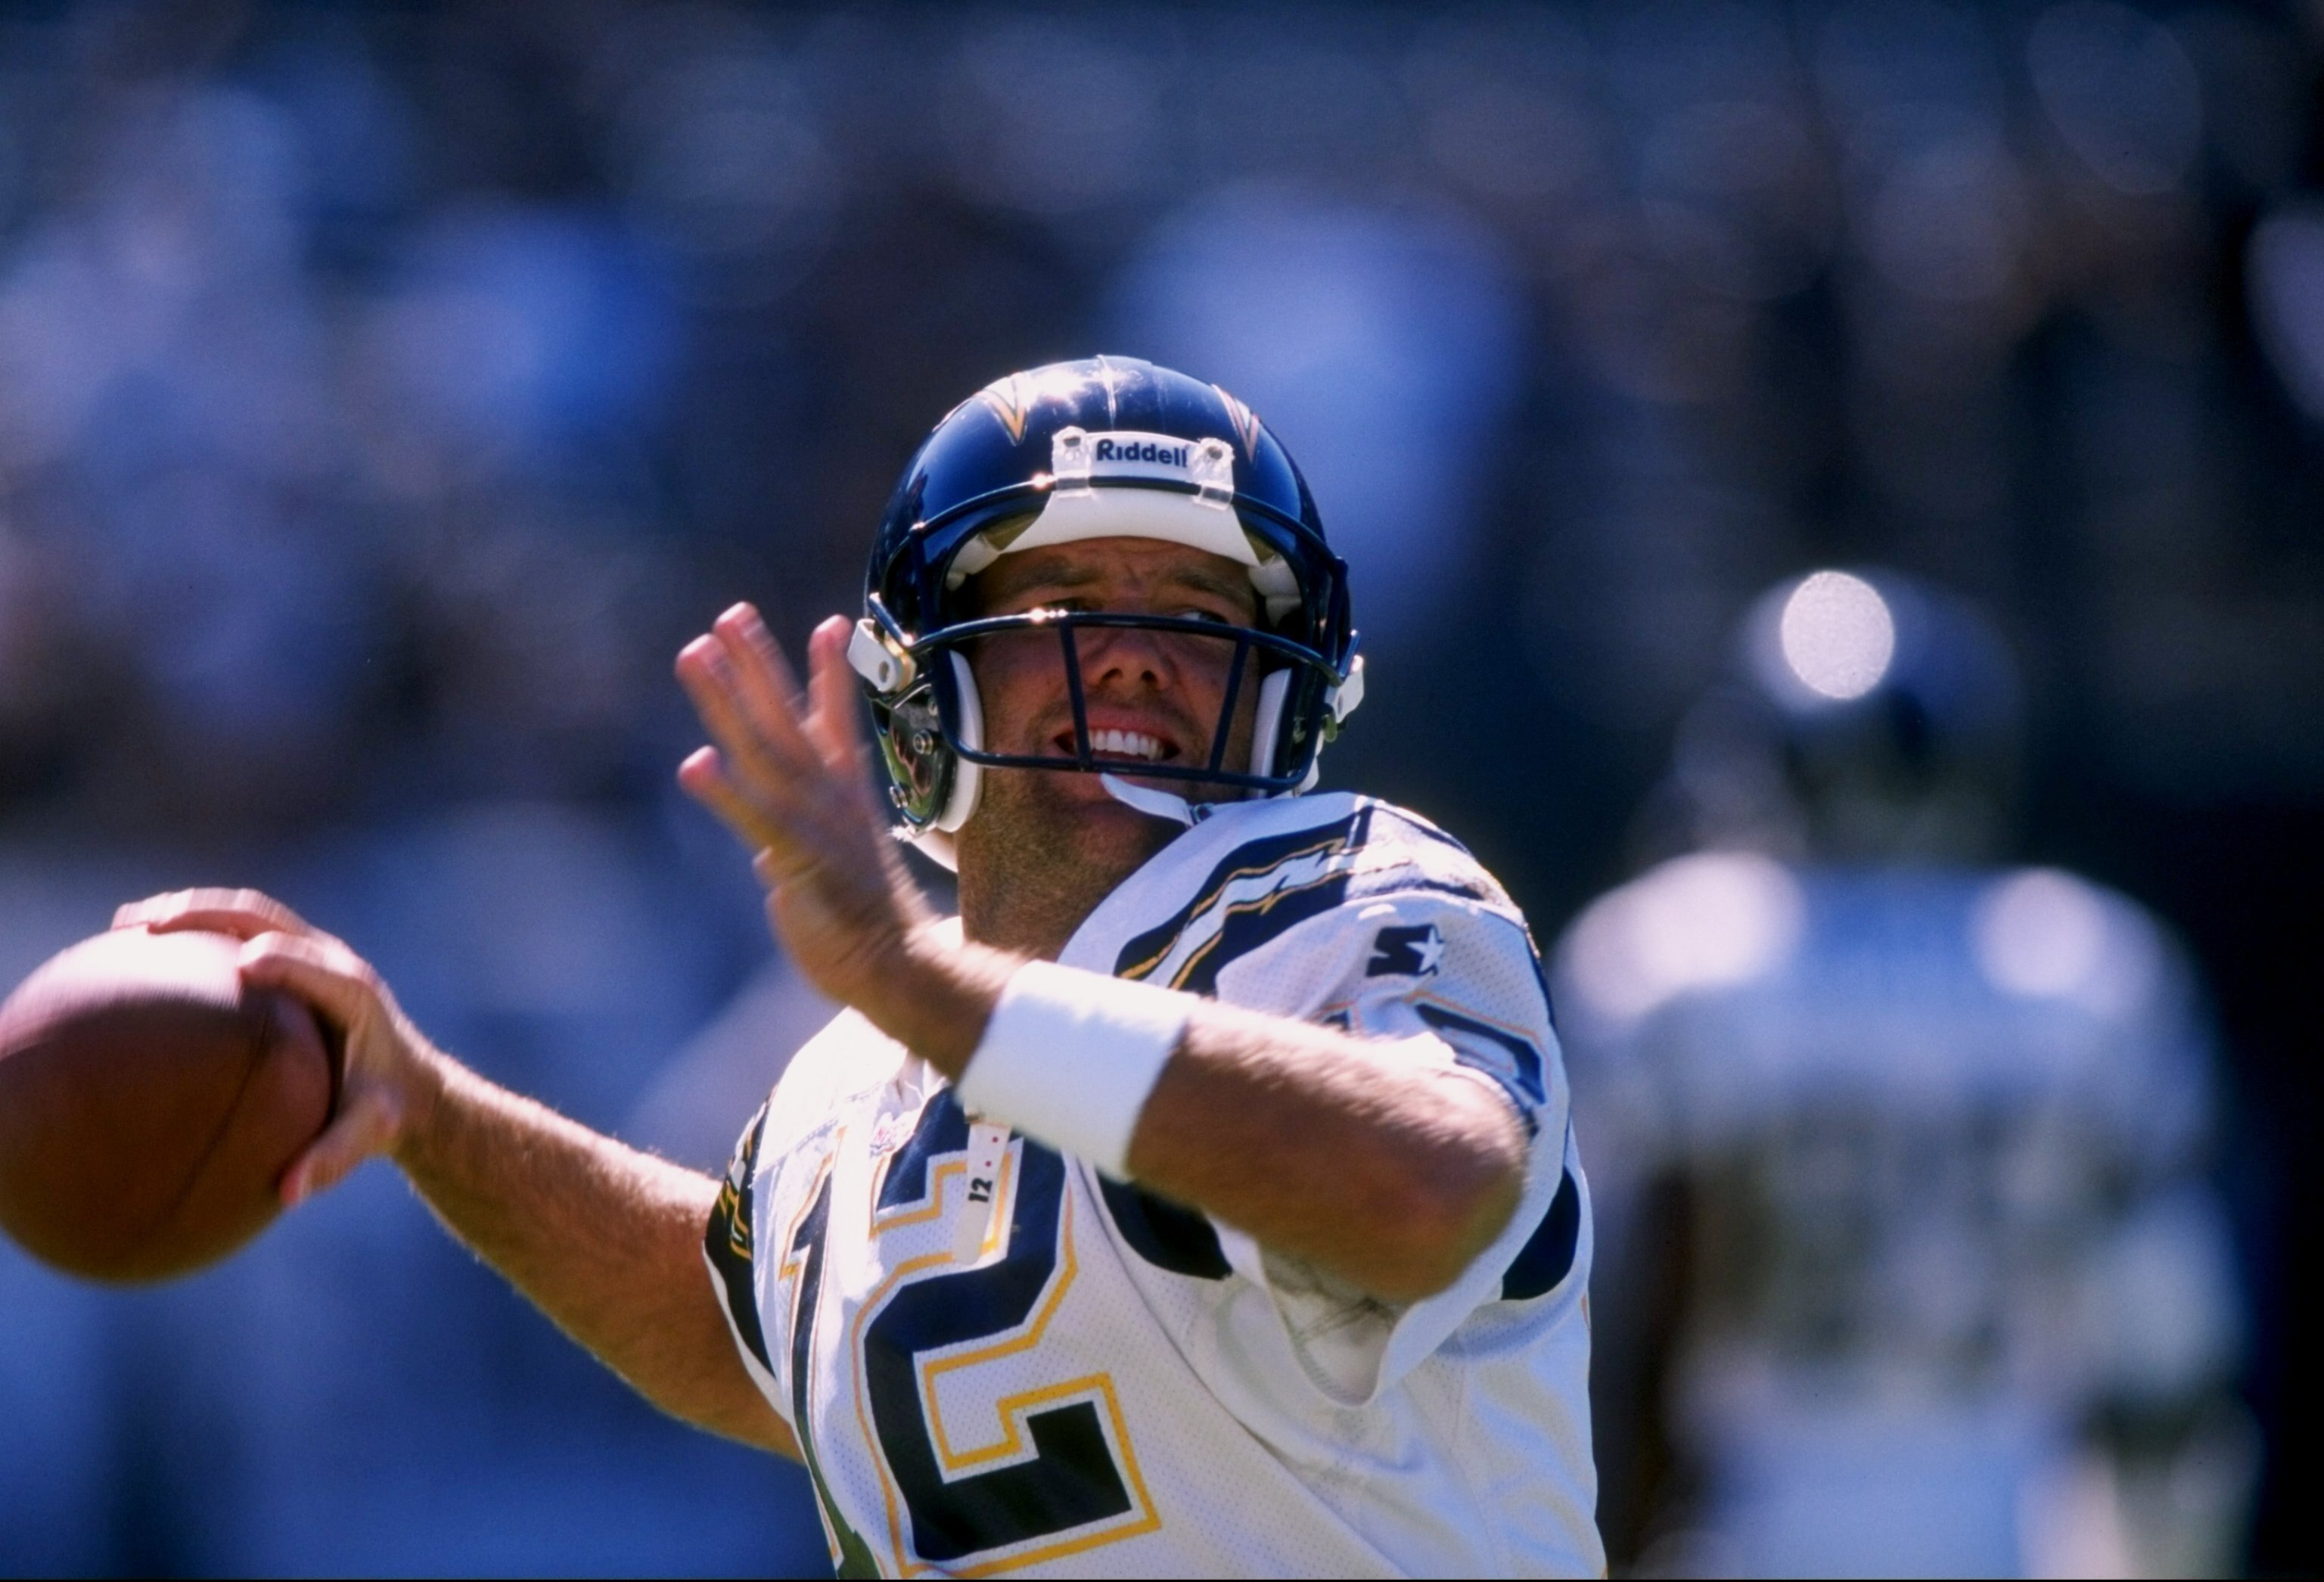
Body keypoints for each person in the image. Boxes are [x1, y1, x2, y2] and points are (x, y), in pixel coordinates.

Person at [120, 357, 1601, 1578]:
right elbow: (733, 1330)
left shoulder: (1342, 891)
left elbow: (1431, 1190)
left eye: (1199, 616)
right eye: (1063, 604)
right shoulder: (856, 1072)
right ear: (927, 673)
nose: (1137, 655)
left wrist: (918, 979)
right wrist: (432, 1108)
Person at [1558, 569, 2249, 1577]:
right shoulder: (2083, 973)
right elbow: (2169, 1360)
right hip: (2007, 1528)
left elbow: (1602, 1317)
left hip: (1751, 1529)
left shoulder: (1675, 961)